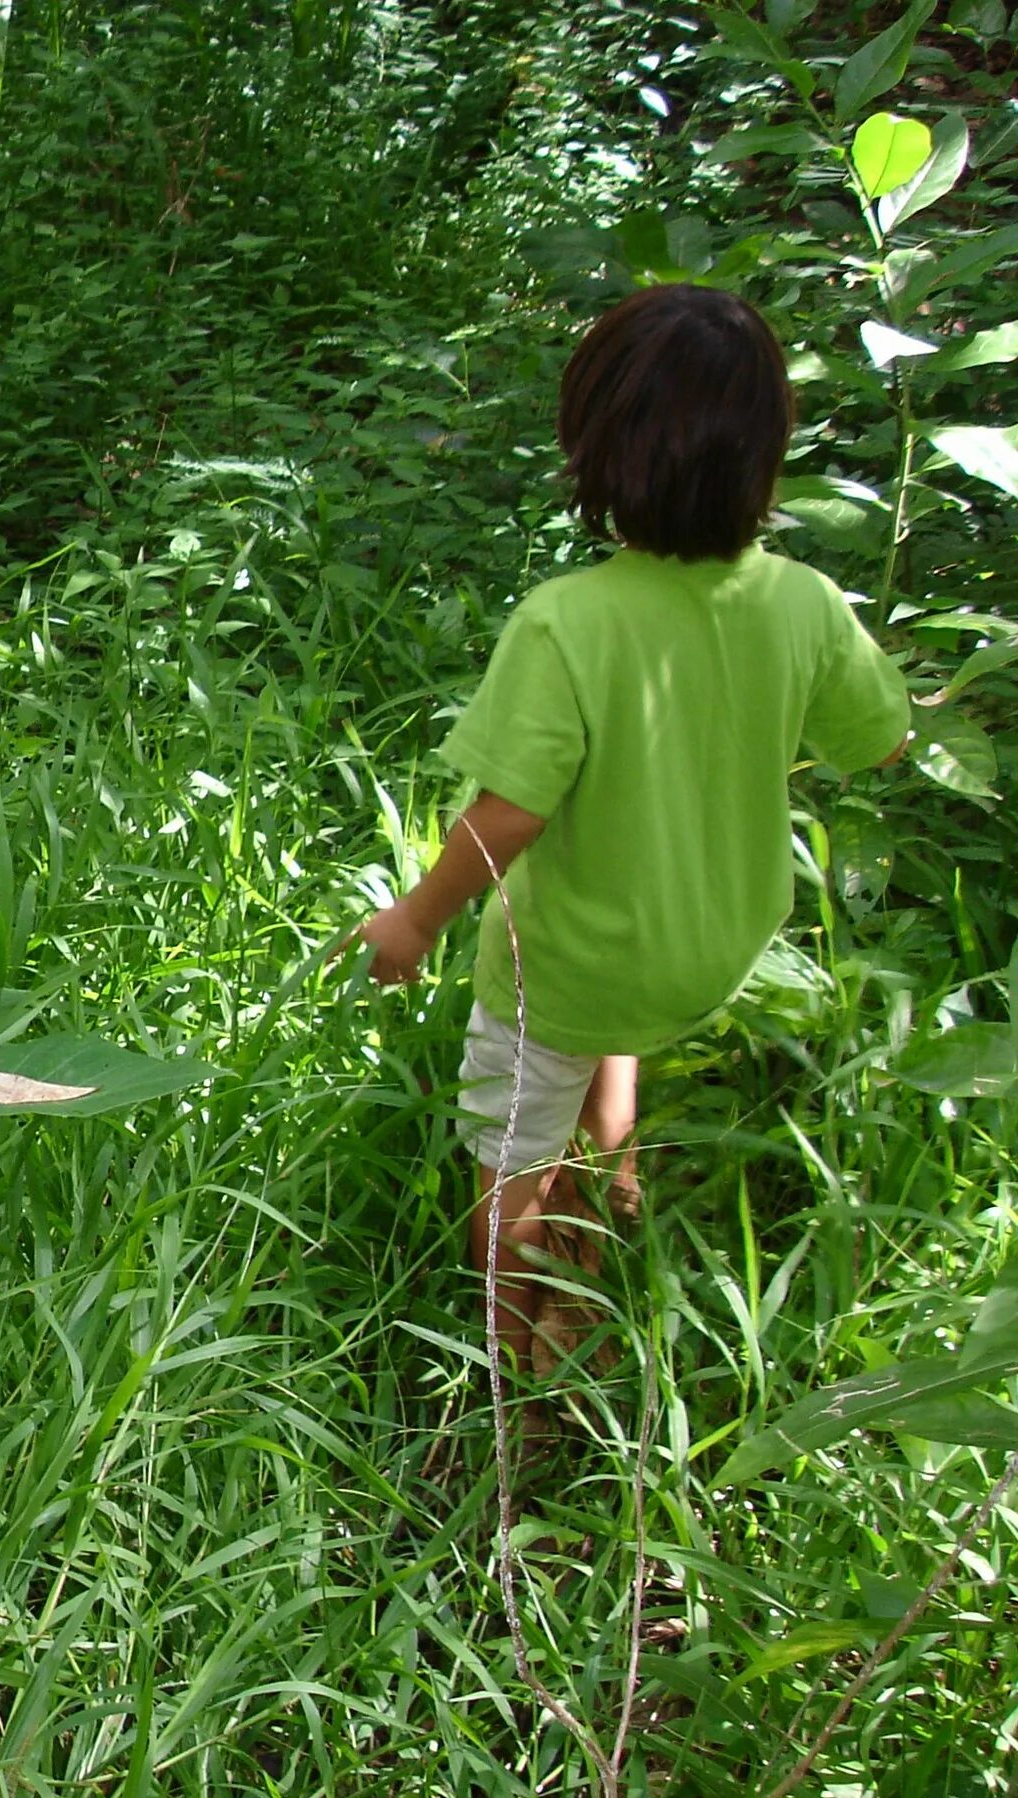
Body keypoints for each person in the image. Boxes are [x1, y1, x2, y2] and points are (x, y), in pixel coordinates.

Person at [353, 283, 909, 1367]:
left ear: (598, 446)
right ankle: (612, 1197)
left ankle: (515, 1374)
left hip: (574, 961)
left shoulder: (570, 622)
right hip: (709, 948)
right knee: (614, 1014)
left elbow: (511, 811)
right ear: (765, 452)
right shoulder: (803, 601)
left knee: (512, 1151)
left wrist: (415, 919)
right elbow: (880, 742)